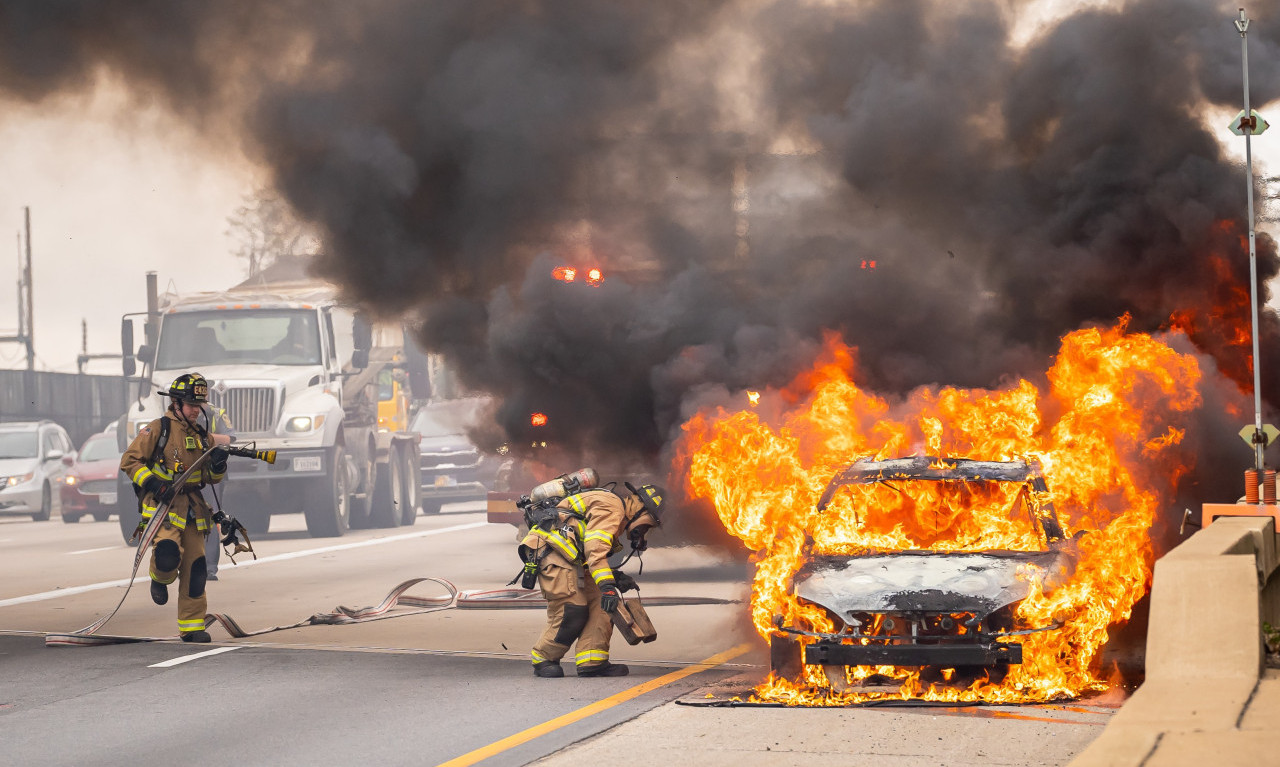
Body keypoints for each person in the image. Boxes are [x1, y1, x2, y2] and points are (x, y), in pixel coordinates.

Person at [119, 372, 232, 643]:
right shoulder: (158, 429)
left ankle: (192, 627)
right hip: (164, 507)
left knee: (197, 568)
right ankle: (159, 578)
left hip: (194, 508)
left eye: (199, 405)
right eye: (192, 404)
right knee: (168, 553)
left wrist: (217, 464)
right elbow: (129, 461)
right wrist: (155, 484)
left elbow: (209, 479)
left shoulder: (202, 435)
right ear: (176, 403)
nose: (196, 410)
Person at [519, 478, 665, 678]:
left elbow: (589, 551)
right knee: (573, 607)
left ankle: (592, 661)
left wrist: (613, 578)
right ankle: (543, 657)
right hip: (551, 552)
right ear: (639, 507)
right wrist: (607, 585)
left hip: (570, 557)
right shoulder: (614, 508)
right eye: (650, 521)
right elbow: (594, 549)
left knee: (604, 603)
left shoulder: (616, 512)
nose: (647, 529)